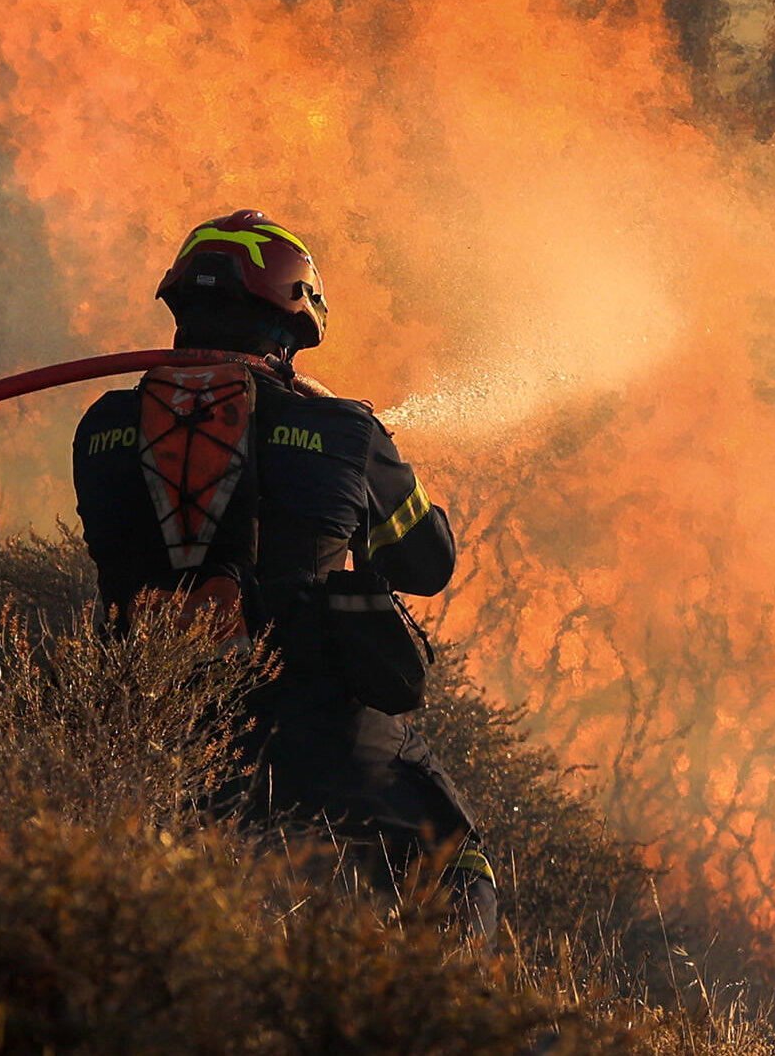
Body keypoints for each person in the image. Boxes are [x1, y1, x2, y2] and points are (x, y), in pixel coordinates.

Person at [69, 211, 497, 939]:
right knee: (454, 869)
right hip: (324, 730)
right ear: (290, 324)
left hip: (162, 734)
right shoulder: (345, 429)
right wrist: (352, 443)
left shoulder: (100, 428)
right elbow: (428, 563)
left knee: (182, 922)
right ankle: (433, 998)